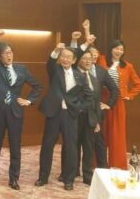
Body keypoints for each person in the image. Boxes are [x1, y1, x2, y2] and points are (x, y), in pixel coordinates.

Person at [0, 30, 42, 190]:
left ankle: (14, 178)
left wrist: (29, 100)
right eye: (5, 53)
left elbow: (37, 86)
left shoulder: (21, 69)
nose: (9, 56)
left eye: (10, 52)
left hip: (15, 111)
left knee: (15, 145)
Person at [35, 44, 93, 190]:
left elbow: (89, 95)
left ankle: (69, 180)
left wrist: (80, 107)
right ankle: (43, 177)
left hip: (70, 115)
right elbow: (50, 62)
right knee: (47, 145)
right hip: (54, 113)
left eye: (68, 57)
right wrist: (55, 51)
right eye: (63, 56)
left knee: (71, 147)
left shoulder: (80, 75)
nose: (65, 59)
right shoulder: (55, 70)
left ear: (74, 60)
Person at [75, 49, 117, 184]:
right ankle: (72, 172)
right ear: (78, 60)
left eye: (91, 58)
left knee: (90, 147)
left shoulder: (95, 77)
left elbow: (100, 98)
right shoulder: (73, 74)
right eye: (85, 58)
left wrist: (107, 106)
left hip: (92, 116)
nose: (89, 60)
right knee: (73, 146)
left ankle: (89, 175)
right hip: (76, 116)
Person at [98, 39, 140, 169]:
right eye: (116, 48)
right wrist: (87, 31)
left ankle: (117, 165)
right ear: (111, 49)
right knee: (100, 133)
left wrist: (129, 95)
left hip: (118, 102)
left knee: (117, 135)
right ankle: (98, 164)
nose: (119, 51)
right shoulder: (102, 60)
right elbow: (91, 50)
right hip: (102, 100)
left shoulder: (127, 66)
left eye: (122, 49)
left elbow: (138, 84)